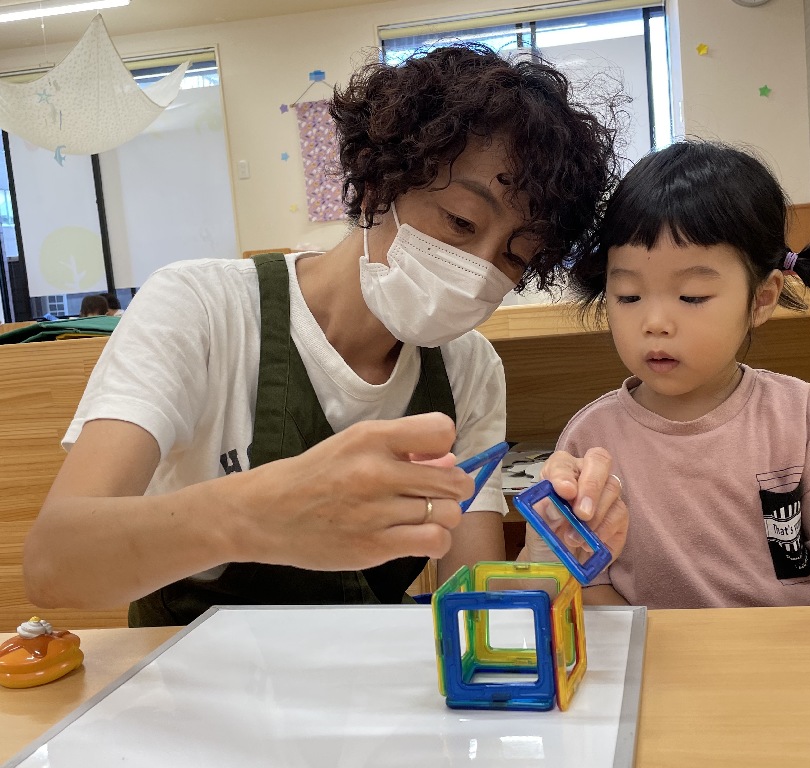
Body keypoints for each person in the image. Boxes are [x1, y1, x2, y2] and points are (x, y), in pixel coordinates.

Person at [23, 43, 627, 626]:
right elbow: (56, 564)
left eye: (514, 258)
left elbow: (464, 597)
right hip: (186, 689)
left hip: (362, 691)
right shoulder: (203, 309)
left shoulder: (469, 370)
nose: (479, 272)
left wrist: (551, 555)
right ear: (377, 185)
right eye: (461, 222)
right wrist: (255, 513)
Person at [526, 140, 810, 614]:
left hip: (779, 662)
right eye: (628, 296)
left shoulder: (802, 416)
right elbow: (586, 583)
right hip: (655, 664)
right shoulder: (592, 437)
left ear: (762, 297)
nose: (656, 323)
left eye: (691, 297)